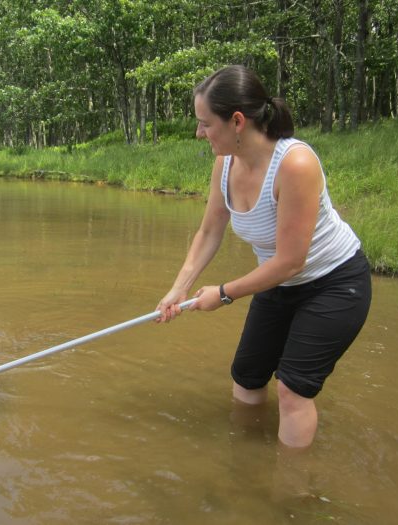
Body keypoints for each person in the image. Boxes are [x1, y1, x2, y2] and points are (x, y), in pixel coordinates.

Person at [156, 65, 371, 448]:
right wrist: (179, 288)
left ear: (237, 121)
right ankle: (246, 461)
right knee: (247, 376)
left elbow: (291, 261)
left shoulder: (295, 164)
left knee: (292, 389)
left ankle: (289, 493)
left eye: (205, 123)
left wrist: (222, 293)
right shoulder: (225, 163)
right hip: (279, 282)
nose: (198, 133)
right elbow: (209, 231)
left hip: (334, 285)